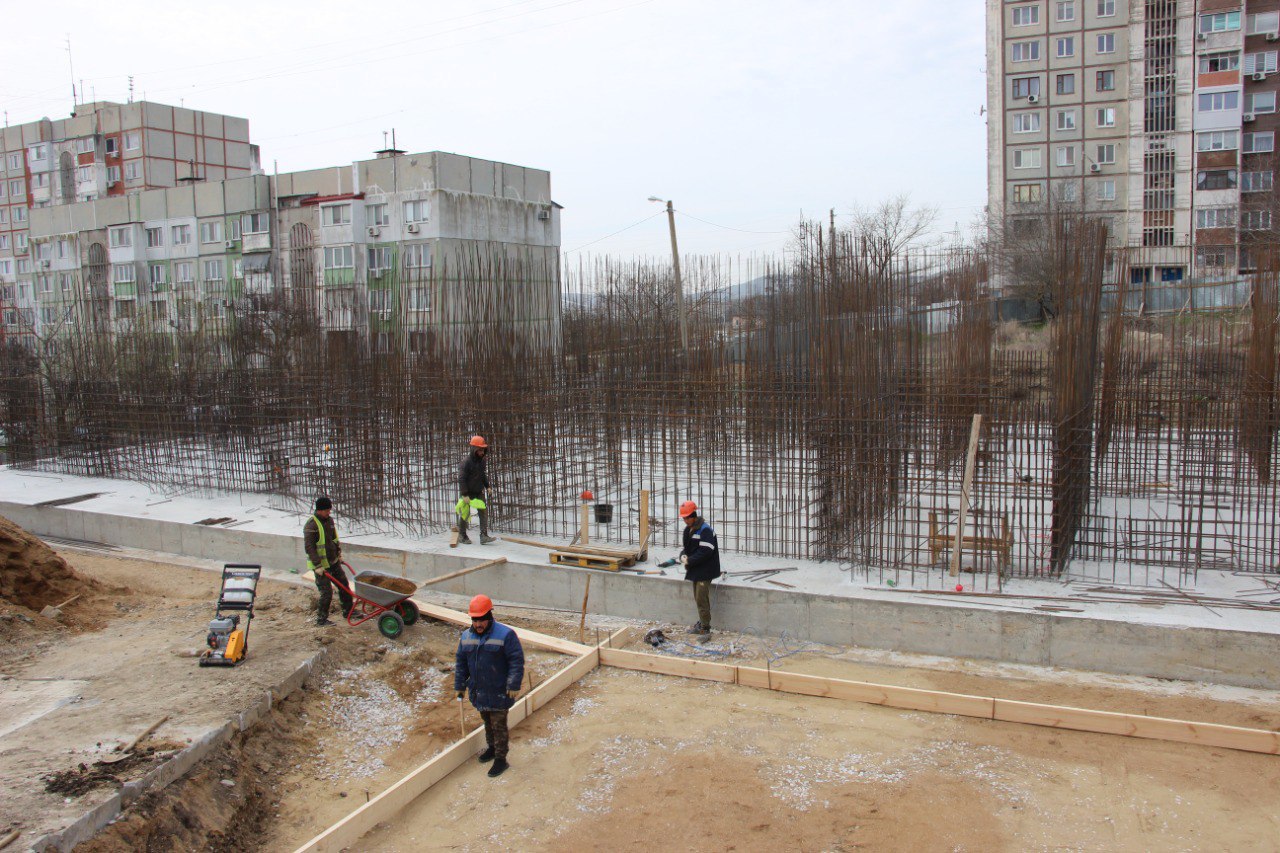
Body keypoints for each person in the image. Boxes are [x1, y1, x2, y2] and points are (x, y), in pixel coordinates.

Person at [454, 594, 525, 777]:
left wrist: (513, 684)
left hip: (499, 691)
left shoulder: (505, 635)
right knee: (487, 722)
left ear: (489, 616)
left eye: (481, 620)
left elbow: (516, 660)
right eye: (475, 620)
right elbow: (461, 662)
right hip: (480, 691)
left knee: (498, 725)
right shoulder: (466, 637)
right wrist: (460, 684)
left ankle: (501, 760)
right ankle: (492, 749)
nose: (478, 624)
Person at [304, 496, 352, 627]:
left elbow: (334, 539)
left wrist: (338, 554)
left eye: (329, 510)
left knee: (344, 586)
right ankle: (321, 619)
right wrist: (318, 566)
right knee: (326, 593)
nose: (329, 512)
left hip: (333, 562)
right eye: (326, 510)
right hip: (321, 567)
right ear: (319, 510)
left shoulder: (329, 521)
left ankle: (349, 611)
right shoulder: (311, 525)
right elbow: (310, 547)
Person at [678, 500, 721, 636]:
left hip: (706, 570)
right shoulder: (688, 530)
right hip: (696, 569)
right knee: (698, 598)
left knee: (701, 598)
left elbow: (705, 552)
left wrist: (689, 560)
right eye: (683, 518)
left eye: (686, 518)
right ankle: (702, 622)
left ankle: (705, 627)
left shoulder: (705, 530)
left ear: (693, 516)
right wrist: (683, 556)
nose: (685, 520)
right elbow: (687, 549)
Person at [457, 435, 495, 545]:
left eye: (483, 450)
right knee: (465, 513)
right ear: (474, 450)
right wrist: (464, 494)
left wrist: (487, 486)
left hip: (478, 490)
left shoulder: (482, 461)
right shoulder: (466, 462)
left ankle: (484, 535)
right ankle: (462, 535)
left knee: (483, 511)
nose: (482, 452)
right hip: (467, 492)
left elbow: (482, 474)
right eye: (480, 450)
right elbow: (461, 478)